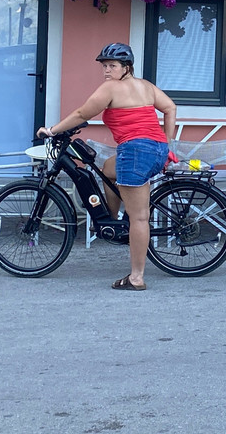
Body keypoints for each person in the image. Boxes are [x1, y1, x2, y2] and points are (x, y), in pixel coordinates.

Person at [37, 43, 176, 291]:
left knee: (140, 217)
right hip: (156, 150)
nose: (107, 71)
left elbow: (82, 113)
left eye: (112, 66)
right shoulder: (146, 86)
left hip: (135, 152)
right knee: (107, 170)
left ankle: (136, 277)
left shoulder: (112, 88)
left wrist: (52, 130)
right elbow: (170, 107)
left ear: (126, 67)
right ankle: (111, 221)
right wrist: (166, 143)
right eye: (104, 66)